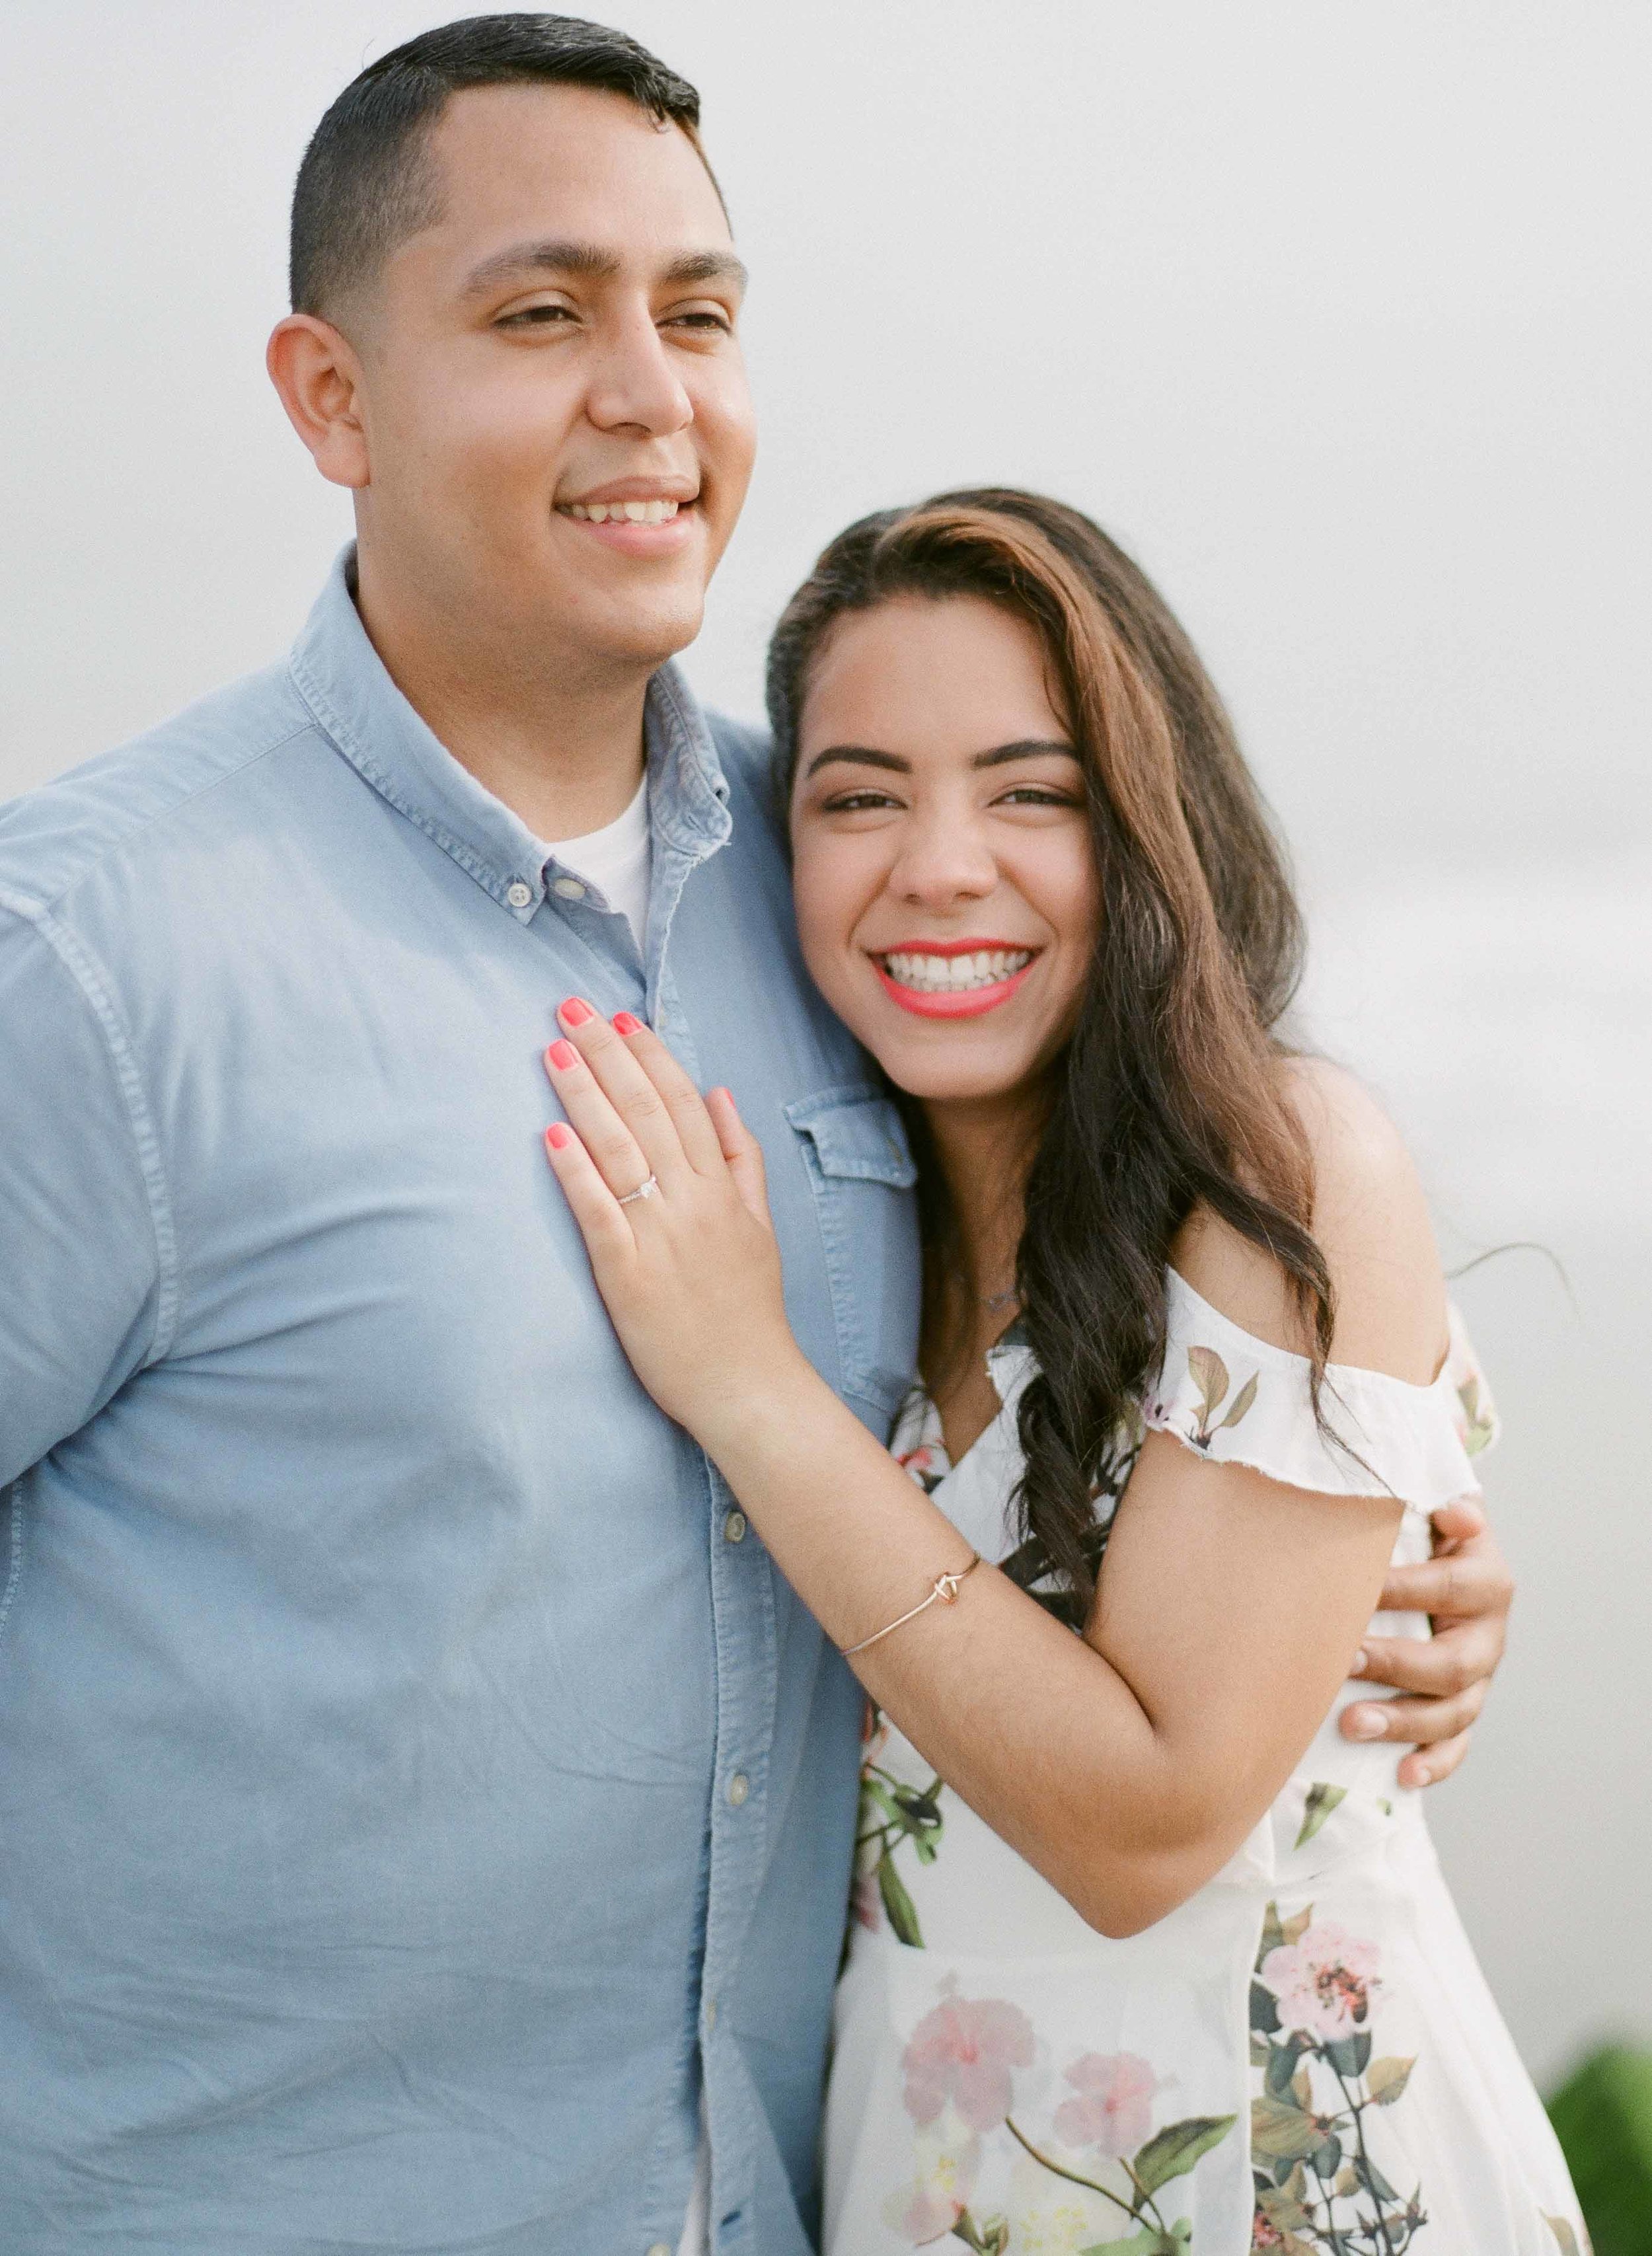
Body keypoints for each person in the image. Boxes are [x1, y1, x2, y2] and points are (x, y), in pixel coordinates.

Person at [0, 18, 1511, 2255]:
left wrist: (1380, 1543)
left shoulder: (845, 890)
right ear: (330, 397)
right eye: (540, 312)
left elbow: (1130, 1280)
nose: (649, 390)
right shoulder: (94, 963)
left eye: (696, 313)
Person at [537, 490, 1584, 2251]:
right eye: (859, 797)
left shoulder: (1280, 1174)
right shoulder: (839, 1234)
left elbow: (1146, 1831)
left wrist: (744, 1386)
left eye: (1032, 793)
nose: (940, 864)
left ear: (1150, 832)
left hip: (1266, 2178)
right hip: (933, 2172)